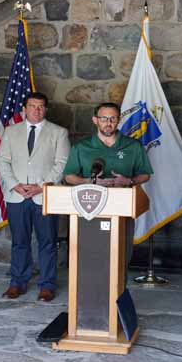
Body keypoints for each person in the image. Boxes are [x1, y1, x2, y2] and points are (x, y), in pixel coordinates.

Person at [0, 92, 70, 302]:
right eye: (32, 106)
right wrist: (14, 185)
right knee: (19, 242)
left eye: (40, 106)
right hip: (17, 196)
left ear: (45, 109)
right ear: (24, 109)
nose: (36, 110)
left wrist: (41, 187)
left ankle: (47, 285)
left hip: (45, 196)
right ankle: (17, 283)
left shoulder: (58, 132)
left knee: (47, 242)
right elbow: (2, 161)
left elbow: (62, 164)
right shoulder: (11, 131)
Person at [63, 102, 153, 264]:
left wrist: (129, 181)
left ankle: (119, 289)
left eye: (113, 118)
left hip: (123, 208)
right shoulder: (82, 147)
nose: (108, 122)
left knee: (121, 256)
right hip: (89, 207)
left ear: (119, 120)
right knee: (90, 255)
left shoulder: (133, 146)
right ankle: (89, 288)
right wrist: (91, 182)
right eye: (104, 118)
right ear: (95, 120)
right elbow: (69, 176)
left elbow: (145, 174)